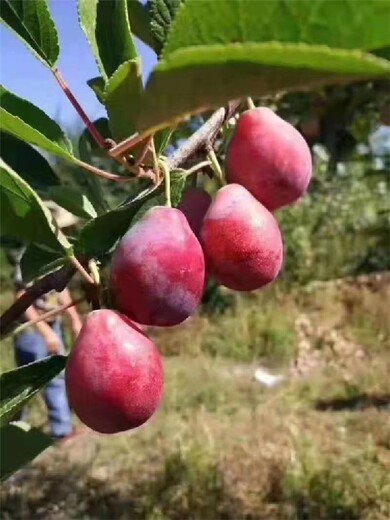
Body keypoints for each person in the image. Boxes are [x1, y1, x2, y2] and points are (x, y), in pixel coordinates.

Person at [7, 203, 83, 442]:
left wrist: (73, 318)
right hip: (32, 330)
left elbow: (61, 291)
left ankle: (58, 429)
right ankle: (15, 431)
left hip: (52, 325)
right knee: (27, 385)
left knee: (54, 376)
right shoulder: (31, 258)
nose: (67, 234)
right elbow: (21, 297)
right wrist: (43, 331)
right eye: (63, 229)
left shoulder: (58, 258)